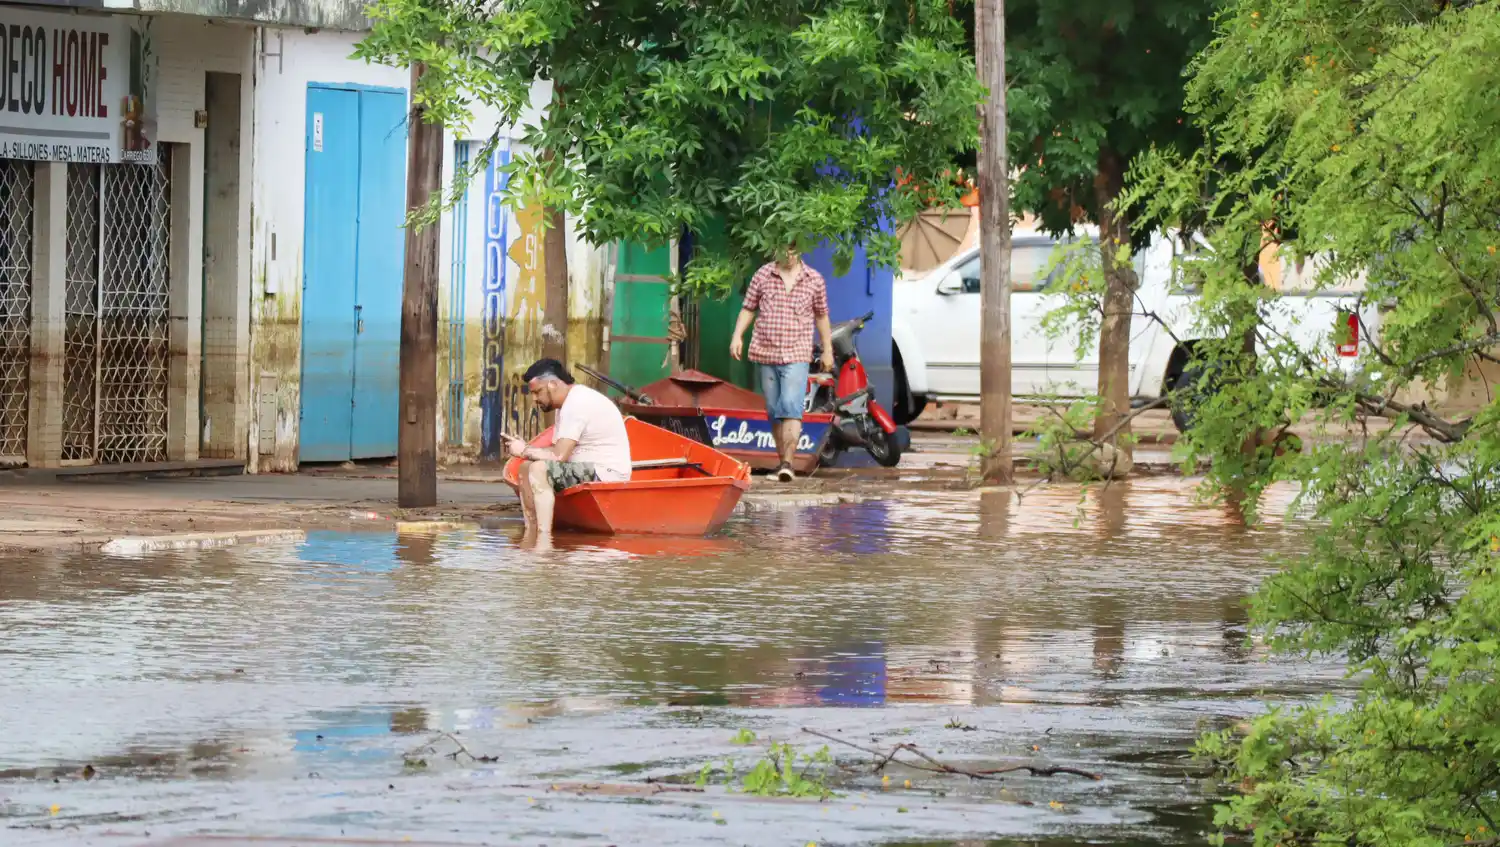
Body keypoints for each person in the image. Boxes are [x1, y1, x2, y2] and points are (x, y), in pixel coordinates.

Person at [730, 245, 835, 482]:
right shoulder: (763, 275)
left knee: (790, 405)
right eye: (783, 249)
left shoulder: (814, 280)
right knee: (773, 410)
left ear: (800, 251)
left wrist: (828, 350)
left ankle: (788, 463)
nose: (788, 255)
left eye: (793, 249)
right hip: (766, 353)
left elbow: (821, 315)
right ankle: (781, 464)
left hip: (797, 353)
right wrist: (737, 336)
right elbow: (749, 308)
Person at [503, 358, 632, 535]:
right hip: (585, 467)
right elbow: (556, 450)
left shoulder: (577, 403)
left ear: (553, 384)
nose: (535, 399)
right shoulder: (565, 406)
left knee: (539, 469)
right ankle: (530, 532)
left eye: (537, 392)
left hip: (605, 472)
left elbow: (558, 456)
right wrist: (526, 450)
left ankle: (543, 539)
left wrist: (524, 451)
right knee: (525, 467)